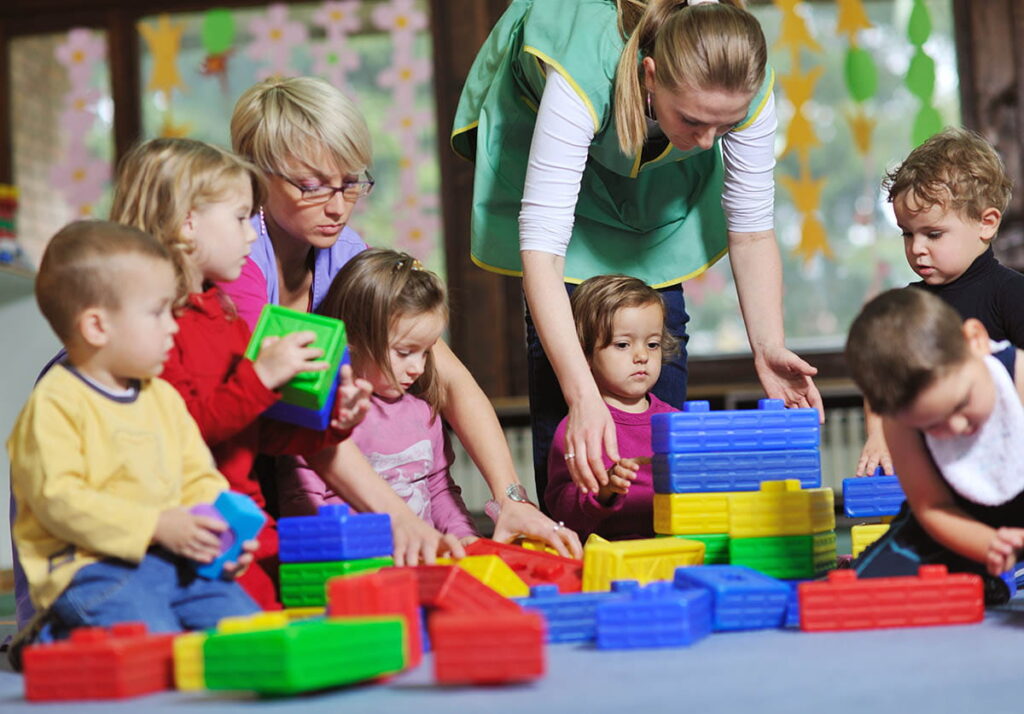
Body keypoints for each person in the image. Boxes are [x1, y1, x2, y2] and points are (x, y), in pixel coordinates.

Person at [451, 0, 822, 506]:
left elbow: (752, 232)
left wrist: (768, 346)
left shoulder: (743, 82)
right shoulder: (584, 64)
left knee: (658, 350)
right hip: (563, 194)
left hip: (650, 195)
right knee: (574, 396)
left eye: (725, 127)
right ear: (649, 75)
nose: (706, 142)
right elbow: (542, 251)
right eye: (693, 120)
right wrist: (582, 397)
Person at [221, 76, 582, 561]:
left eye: (351, 182)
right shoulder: (235, 257)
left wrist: (511, 497)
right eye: (311, 186)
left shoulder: (345, 251)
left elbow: (447, 374)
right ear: (256, 174)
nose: (337, 206)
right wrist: (403, 521)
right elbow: (305, 418)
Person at [109, 137, 373, 608]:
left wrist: (334, 423)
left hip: (246, 520)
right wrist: (262, 376)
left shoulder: (222, 314)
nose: (252, 236)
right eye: (239, 219)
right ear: (188, 224)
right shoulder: (157, 329)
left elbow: (255, 433)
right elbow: (185, 432)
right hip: (193, 529)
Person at [6, 221, 261, 667]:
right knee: (154, 648)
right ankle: (51, 636)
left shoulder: (159, 395)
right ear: (98, 326)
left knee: (243, 631)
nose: (173, 327)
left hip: (171, 560)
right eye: (158, 312)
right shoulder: (56, 404)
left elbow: (196, 474)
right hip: (88, 571)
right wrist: (154, 526)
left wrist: (217, 527)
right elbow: (60, 500)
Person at [279, 249, 478, 547]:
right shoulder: (327, 414)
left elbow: (439, 490)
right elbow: (303, 502)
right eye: (404, 352)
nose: (418, 368)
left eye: (426, 351)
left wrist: (465, 538)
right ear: (355, 337)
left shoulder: (424, 414)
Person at [855, 127, 1024, 477]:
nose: (917, 248)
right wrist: (879, 434)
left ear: (986, 223)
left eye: (933, 234)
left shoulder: (1011, 295)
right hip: (931, 469)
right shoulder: (908, 307)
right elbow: (880, 380)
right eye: (907, 234)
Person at [846, 287, 1024, 604]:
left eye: (962, 403)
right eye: (931, 426)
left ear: (976, 341)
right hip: (959, 520)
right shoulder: (900, 424)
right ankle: (981, 576)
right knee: (863, 591)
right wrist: (989, 544)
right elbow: (933, 508)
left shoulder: (1020, 378)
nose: (955, 427)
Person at [545, 275, 678, 540]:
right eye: (623, 345)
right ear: (584, 354)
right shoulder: (578, 430)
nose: (642, 356)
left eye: (652, 344)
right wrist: (603, 491)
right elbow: (562, 514)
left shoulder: (678, 423)